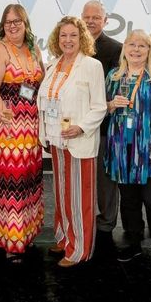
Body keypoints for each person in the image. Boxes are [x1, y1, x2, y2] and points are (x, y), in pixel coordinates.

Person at [38, 16, 106, 267]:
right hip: (57, 141)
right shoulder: (54, 65)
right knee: (62, 194)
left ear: (82, 38)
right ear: (57, 39)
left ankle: (80, 249)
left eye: (73, 36)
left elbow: (99, 107)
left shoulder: (91, 65)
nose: (68, 40)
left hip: (79, 142)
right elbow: (46, 103)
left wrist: (81, 127)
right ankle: (65, 237)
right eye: (63, 35)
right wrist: (44, 133)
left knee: (80, 199)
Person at [0, 3, 45, 263]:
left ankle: (25, 233)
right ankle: (9, 240)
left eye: (18, 21)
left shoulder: (33, 49)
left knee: (28, 178)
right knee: (11, 180)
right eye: (8, 22)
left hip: (31, 126)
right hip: (5, 127)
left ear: (26, 23)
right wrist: (3, 111)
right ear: (2, 25)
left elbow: (43, 81)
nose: (14, 25)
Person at [106, 30, 151, 269]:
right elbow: (100, 108)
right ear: (124, 47)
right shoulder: (114, 76)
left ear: (149, 50)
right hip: (122, 150)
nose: (136, 50)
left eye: (142, 46)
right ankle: (134, 242)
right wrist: (110, 105)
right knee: (129, 201)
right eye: (132, 45)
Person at [82, 0, 122, 252]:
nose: (91, 21)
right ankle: (84, 220)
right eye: (86, 17)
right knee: (83, 176)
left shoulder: (116, 49)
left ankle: (106, 223)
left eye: (96, 17)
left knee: (106, 178)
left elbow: (117, 86)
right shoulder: (72, 46)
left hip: (105, 125)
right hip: (78, 124)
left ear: (106, 21)